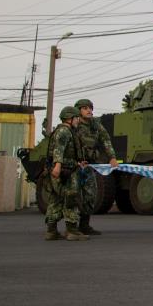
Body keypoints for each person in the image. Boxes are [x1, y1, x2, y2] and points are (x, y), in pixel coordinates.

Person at [73, 99, 119, 236]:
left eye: (90, 108)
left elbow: (105, 140)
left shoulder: (96, 125)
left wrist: (112, 157)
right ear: (78, 110)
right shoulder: (73, 125)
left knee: (90, 195)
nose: (89, 111)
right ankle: (71, 227)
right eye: (85, 108)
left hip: (88, 165)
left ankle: (84, 225)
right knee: (72, 196)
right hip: (73, 166)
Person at [43, 106, 88, 241]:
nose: (78, 121)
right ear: (70, 118)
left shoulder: (61, 130)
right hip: (65, 171)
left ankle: (51, 231)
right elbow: (59, 150)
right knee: (71, 197)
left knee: (55, 199)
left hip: (63, 169)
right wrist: (58, 166)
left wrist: (77, 163)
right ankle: (72, 230)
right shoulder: (65, 132)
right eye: (76, 118)